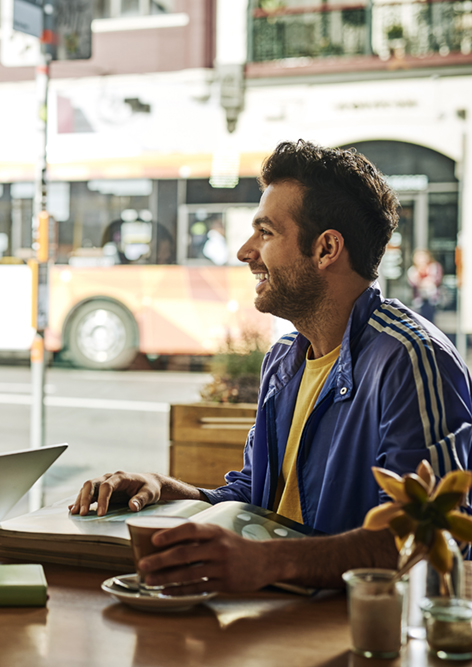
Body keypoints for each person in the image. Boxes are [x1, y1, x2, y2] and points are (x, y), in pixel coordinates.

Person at [70, 140, 472, 593]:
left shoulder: (412, 360)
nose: (244, 252)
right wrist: (168, 489)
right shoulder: (284, 361)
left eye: (265, 232)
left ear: (326, 249)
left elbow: (430, 535)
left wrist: (269, 562)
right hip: (272, 617)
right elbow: (256, 501)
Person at [408, 248, 443, 323]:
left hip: (432, 299)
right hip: (419, 300)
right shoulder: (413, 270)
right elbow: (413, 283)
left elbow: (437, 280)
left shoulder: (434, 267)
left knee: (430, 320)